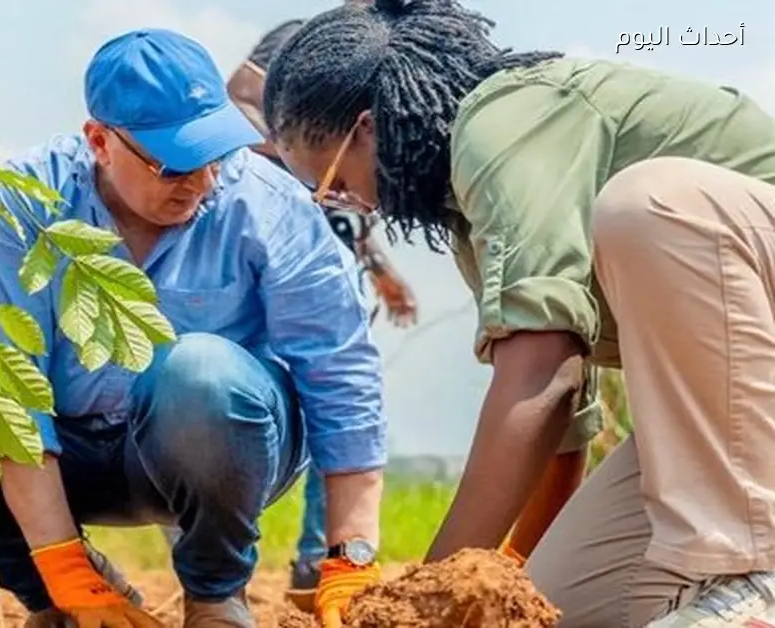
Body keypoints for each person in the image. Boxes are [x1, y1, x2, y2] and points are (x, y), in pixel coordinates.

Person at [0, 28, 388, 628]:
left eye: (214, 155)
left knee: (201, 373)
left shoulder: (265, 205)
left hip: (218, 447)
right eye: (174, 165)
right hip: (72, 448)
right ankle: (67, 591)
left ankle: (215, 593)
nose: (202, 181)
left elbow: (337, 370)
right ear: (100, 142)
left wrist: (350, 552)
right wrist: (63, 567)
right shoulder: (24, 204)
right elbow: (12, 393)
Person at [260, 0, 775, 625]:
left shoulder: (503, 121)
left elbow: (542, 374)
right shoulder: (470, 217)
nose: (349, 204)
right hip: (743, 421)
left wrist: (423, 605)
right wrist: (491, 589)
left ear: (367, 128)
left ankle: (751, 574)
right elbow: (559, 429)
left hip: (752, 404)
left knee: (653, 204)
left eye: (333, 184)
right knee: (562, 610)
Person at [226, 12, 420, 608]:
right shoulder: (300, 53)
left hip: (333, 276)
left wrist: (382, 272)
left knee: (335, 406)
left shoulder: (381, 73)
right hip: (270, 272)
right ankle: (217, 564)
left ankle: (319, 559)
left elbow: (352, 206)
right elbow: (238, 93)